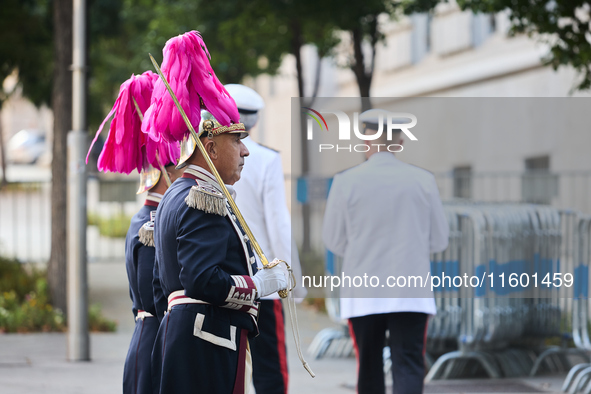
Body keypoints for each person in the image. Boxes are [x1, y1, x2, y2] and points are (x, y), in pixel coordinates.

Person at [142, 31, 289, 394]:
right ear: (209, 146)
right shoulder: (201, 196)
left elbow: (163, 287)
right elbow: (202, 280)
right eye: (236, 141)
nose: (245, 151)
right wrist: (260, 285)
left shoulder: (179, 191)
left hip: (186, 337)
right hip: (205, 343)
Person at [322, 109, 449, 394]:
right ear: (400, 141)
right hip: (410, 289)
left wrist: (361, 251)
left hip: (364, 290)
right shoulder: (423, 180)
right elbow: (440, 240)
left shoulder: (345, 181)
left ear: (366, 140)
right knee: (409, 363)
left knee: (368, 366)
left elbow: (333, 240)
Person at [86, 70, 181, 394]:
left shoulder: (152, 217)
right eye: (177, 170)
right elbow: (153, 300)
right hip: (152, 342)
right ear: (164, 173)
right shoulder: (148, 223)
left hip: (156, 340)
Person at [225, 84, 307, 394]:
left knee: (227, 367)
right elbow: (279, 226)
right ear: (255, 120)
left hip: (224, 280)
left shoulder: (206, 155)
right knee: (269, 370)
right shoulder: (267, 159)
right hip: (263, 284)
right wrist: (292, 281)